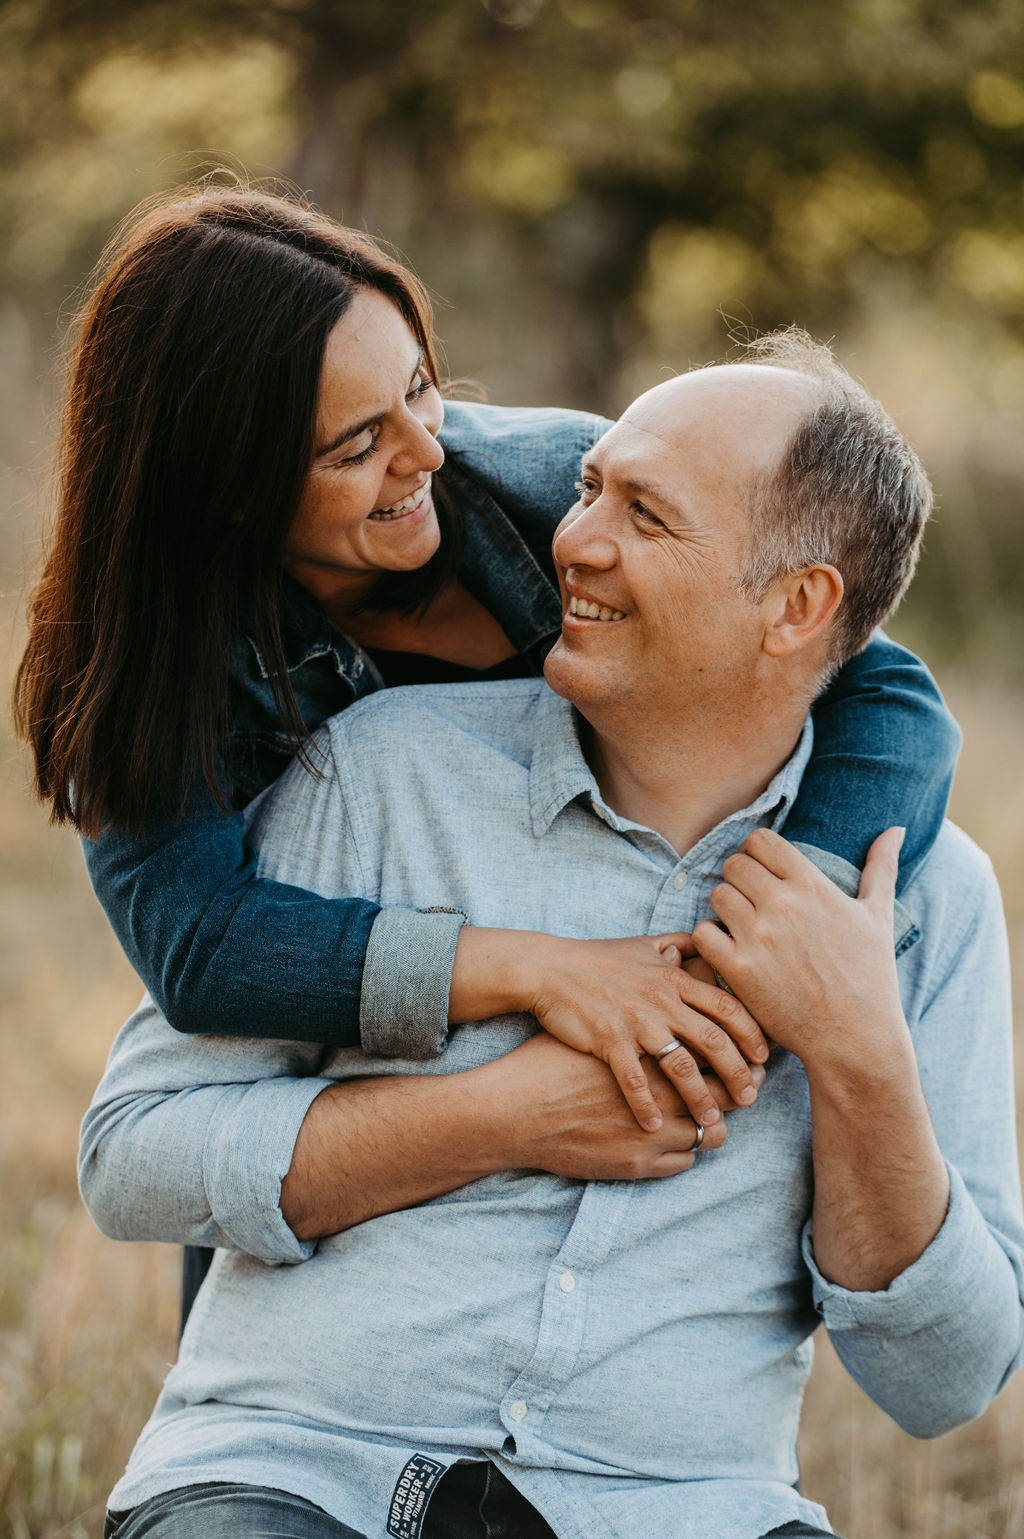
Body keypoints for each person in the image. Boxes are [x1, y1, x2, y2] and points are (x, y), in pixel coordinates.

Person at [80, 334, 1024, 1539]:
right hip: (299, 1474)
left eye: (645, 513)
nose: (569, 540)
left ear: (797, 607)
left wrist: (857, 1054)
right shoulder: (378, 769)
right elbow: (134, 1158)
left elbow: (946, 1383)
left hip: (681, 1510)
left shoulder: (925, 901)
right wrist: (507, 1110)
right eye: (588, 488)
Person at [16, 185, 958, 1318]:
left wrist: (752, 953)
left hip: (625, 1127)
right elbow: (206, 950)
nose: (426, 450)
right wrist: (538, 968)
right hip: (346, 1108)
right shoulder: (151, 657)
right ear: (223, 488)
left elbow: (890, 693)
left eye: (418, 386)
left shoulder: (549, 485)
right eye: (359, 443)